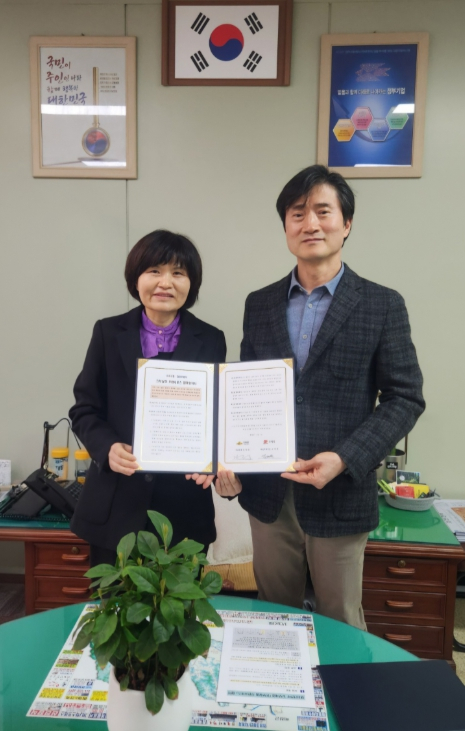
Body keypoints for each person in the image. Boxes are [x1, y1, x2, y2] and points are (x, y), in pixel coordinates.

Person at [213, 165, 425, 630]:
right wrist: (227, 459)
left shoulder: (382, 304)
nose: (310, 223)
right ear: (286, 227)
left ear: (346, 223)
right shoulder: (260, 303)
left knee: (341, 619)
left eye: (323, 211)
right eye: (297, 213)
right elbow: (246, 394)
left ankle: (345, 683)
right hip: (269, 493)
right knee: (273, 616)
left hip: (340, 492)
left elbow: (405, 398)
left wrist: (345, 458)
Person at [69, 230, 225, 567]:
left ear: (191, 283)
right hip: (115, 507)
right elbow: (84, 409)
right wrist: (107, 448)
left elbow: (218, 417)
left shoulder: (211, 339)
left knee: (180, 601)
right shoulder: (108, 333)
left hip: (184, 510)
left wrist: (212, 459)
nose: (165, 282)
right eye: (154, 270)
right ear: (136, 279)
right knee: (112, 600)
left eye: (178, 273)